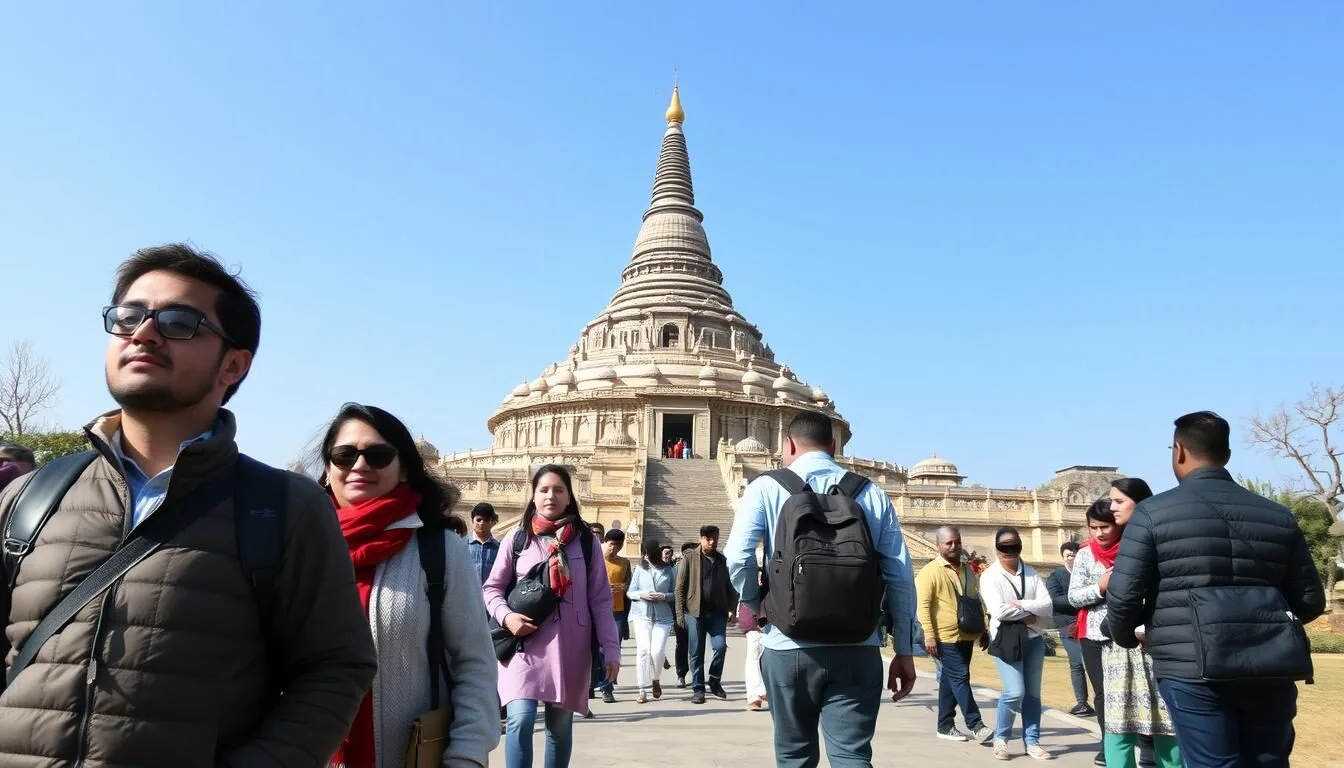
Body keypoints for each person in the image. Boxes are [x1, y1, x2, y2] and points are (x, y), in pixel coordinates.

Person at [0, 244, 376, 765]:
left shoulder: (284, 509)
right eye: (128, 316)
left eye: (179, 322)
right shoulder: (31, 497)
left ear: (233, 364)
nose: (144, 332)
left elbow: (337, 668)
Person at [1107, 411, 1327, 768]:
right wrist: (1262, 623)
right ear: (1226, 453)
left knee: (1212, 763)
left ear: (1179, 451)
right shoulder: (1277, 514)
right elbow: (1310, 600)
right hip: (1270, 665)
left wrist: (1129, 636)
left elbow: (1124, 594)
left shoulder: (1152, 513)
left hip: (1192, 665)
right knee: (1268, 762)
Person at [725, 412, 919, 768]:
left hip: (788, 645)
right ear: (834, 446)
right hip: (858, 645)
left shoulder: (765, 488)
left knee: (794, 756)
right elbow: (900, 576)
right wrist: (905, 649)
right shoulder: (871, 493)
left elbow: (737, 559)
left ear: (789, 445)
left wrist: (757, 604)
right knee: (852, 756)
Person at [320, 403, 499, 767]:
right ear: (327, 470)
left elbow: (474, 664)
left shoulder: (440, 549)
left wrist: (466, 756)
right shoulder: (299, 548)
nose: (359, 466)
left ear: (404, 470)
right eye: (344, 455)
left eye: (378, 455)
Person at [483, 464, 620, 768]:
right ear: (533, 496)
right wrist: (507, 618)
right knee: (520, 718)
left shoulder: (586, 542)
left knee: (559, 726)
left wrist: (611, 648)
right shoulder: (517, 539)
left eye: (559, 489)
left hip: (570, 646)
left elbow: (599, 598)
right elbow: (491, 589)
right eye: (544, 489)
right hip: (524, 643)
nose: (551, 496)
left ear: (570, 496)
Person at [1071, 494, 1164, 768]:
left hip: (1132, 636)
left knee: (1146, 695)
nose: (1098, 533)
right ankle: (1109, 746)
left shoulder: (1135, 550)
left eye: (1105, 527)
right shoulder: (1085, 555)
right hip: (1095, 636)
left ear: (1119, 525)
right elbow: (1073, 597)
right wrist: (1100, 587)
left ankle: (1147, 749)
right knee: (1104, 697)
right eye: (1093, 527)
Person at [980, 527, 1054, 761]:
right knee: (1014, 691)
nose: (1009, 552)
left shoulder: (1031, 573)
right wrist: (1030, 611)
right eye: (1004, 547)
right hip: (1006, 639)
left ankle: (1032, 741)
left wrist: (1021, 605)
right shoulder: (990, 576)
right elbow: (998, 610)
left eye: (1014, 547)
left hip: (1033, 639)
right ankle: (1001, 739)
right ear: (997, 548)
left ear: (1021, 547)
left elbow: (1048, 605)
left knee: (1033, 694)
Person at [916, 526, 993, 744]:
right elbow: (923, 606)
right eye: (948, 543)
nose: (953, 546)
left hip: (967, 635)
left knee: (950, 681)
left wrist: (983, 630)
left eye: (956, 542)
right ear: (938, 545)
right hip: (943, 637)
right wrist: (929, 634)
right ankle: (976, 724)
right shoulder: (929, 572)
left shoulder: (968, 570)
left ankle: (945, 725)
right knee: (960, 676)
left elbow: (976, 602)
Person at [675, 523, 735, 704]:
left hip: (718, 612)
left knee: (720, 646)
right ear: (701, 539)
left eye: (715, 538)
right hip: (695, 612)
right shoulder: (690, 557)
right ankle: (698, 688)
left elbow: (729, 586)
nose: (712, 542)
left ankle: (714, 680)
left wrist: (732, 607)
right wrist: (679, 614)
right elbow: (680, 587)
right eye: (709, 539)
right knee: (696, 651)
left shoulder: (722, 560)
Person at [1044, 541, 1093, 718]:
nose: (1072, 558)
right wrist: (1080, 599)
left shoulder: (1087, 572)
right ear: (1063, 557)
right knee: (1077, 662)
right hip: (1068, 625)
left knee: (1093, 662)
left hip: (1088, 621)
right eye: (1068, 555)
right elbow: (1055, 599)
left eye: (1074, 555)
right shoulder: (1056, 576)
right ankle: (1081, 702)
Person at [628, 539, 676, 703]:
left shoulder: (669, 570)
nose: (647, 558)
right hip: (641, 614)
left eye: (650, 555)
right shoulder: (640, 569)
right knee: (643, 650)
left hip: (662, 616)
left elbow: (675, 594)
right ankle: (642, 689)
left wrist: (663, 596)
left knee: (657, 651)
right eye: (645, 554)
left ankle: (656, 678)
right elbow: (630, 592)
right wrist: (642, 595)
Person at [596, 528, 631, 704]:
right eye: (611, 545)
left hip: (618, 611)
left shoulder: (624, 563)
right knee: (597, 650)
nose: (614, 549)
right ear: (605, 543)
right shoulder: (595, 561)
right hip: (597, 611)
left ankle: (606, 687)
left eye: (618, 546)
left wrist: (625, 588)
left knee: (611, 649)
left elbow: (631, 585)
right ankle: (597, 685)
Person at [672, 541, 697, 687]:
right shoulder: (674, 570)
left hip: (696, 613)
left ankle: (696, 675)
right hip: (679, 612)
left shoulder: (701, 569)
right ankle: (681, 674)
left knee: (696, 646)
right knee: (681, 644)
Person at [468, 502, 501, 584]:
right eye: (478, 520)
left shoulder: (500, 549)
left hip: (490, 595)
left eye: (486, 520)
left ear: (492, 522)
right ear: (472, 521)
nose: (482, 523)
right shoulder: (462, 546)